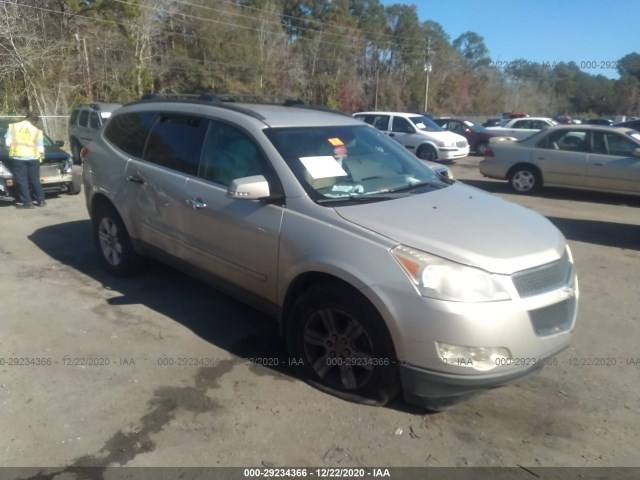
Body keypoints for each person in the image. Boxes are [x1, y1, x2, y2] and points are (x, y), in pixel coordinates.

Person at [4, 111, 46, 208]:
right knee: (35, 179)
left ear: (25, 117)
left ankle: (28, 202)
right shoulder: (37, 131)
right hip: (33, 158)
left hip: (18, 157)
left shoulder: (13, 127)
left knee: (22, 180)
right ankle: (41, 200)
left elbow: (7, 143)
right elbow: (41, 148)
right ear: (35, 121)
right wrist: (41, 157)